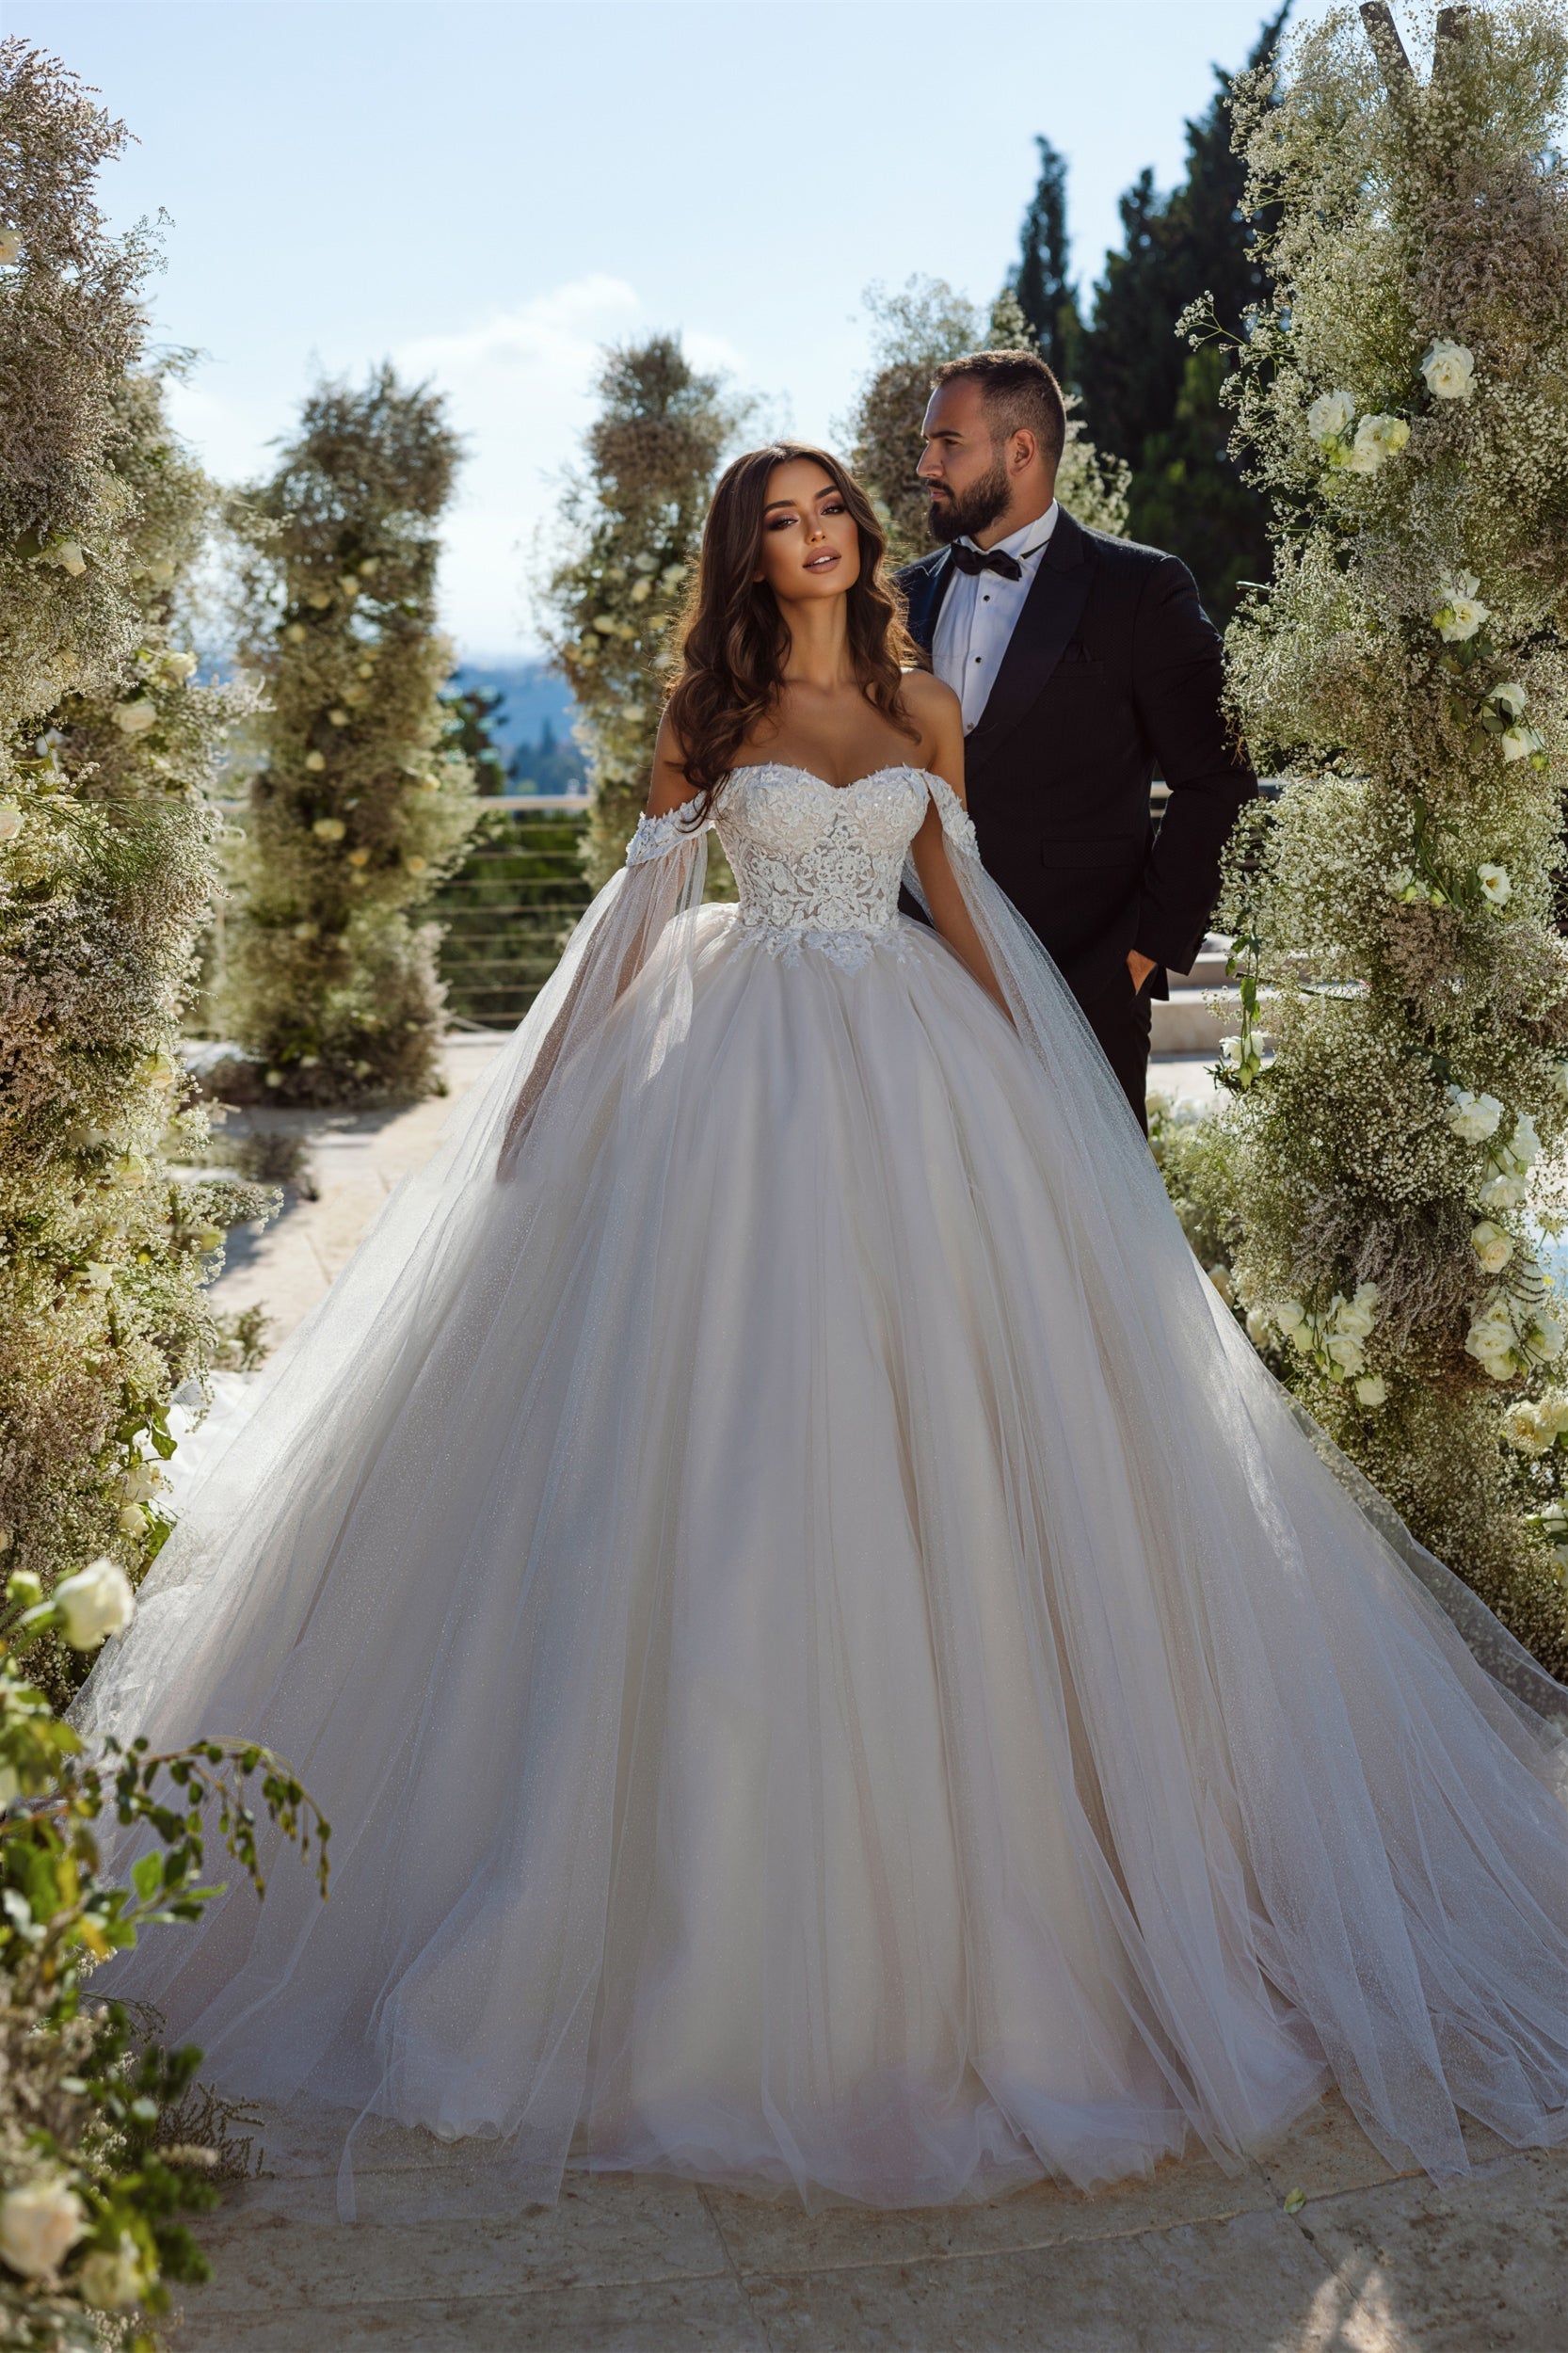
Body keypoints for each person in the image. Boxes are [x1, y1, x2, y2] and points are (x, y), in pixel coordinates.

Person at [73, 443, 1567, 2221]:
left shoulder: (926, 702)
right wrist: (544, 1094)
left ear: (863, 533)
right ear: (743, 551)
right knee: (729, 1432)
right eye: (776, 523)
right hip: (733, 1089)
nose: (810, 541)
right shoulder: (706, 715)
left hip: (916, 1082)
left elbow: (964, 908)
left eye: (830, 513)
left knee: (944, 1431)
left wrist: (1055, 1103)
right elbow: (639, 910)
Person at [899, 349, 1255, 1128]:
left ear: (1020, 450)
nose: (925, 462)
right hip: (914, 988)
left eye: (946, 443)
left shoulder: (1141, 590)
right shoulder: (897, 599)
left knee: (1087, 1245)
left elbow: (1217, 778)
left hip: (1084, 990)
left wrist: (1141, 954)